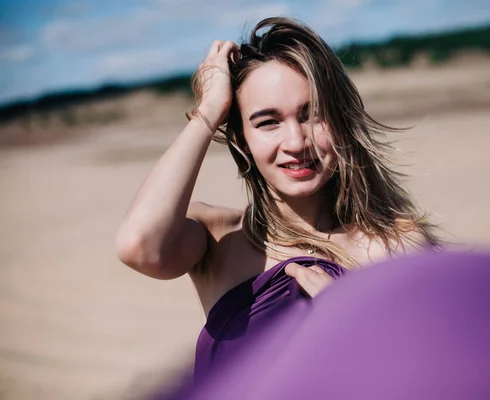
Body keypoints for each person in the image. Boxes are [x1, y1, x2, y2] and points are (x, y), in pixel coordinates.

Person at [115, 16, 437, 382]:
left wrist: (354, 328)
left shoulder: (396, 248)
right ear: (241, 139)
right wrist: (208, 112)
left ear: (341, 118)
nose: (297, 143)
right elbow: (139, 245)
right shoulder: (217, 240)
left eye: (312, 114)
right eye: (268, 122)